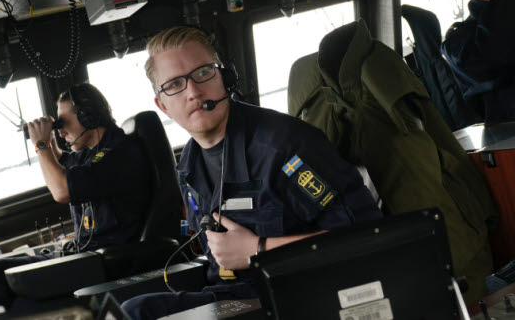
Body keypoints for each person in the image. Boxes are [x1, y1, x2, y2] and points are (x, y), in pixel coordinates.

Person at [120, 26, 382, 319]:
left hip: (298, 296)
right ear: (163, 106)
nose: (193, 92)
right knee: (133, 311)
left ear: (225, 79)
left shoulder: (284, 147)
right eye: (174, 84)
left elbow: (366, 237)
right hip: (237, 296)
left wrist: (258, 248)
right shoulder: (189, 167)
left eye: (203, 73)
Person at [0, 84, 153, 310]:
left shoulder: (119, 153)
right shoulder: (91, 154)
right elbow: (62, 165)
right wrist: (47, 138)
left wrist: (42, 144)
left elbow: (61, 190)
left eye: (63, 123)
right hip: (87, 256)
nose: (61, 131)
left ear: (89, 117)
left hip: (104, 263)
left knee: (10, 297)